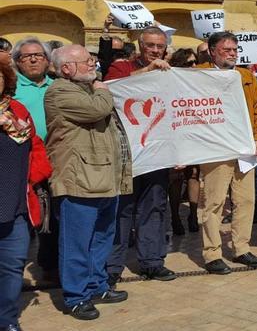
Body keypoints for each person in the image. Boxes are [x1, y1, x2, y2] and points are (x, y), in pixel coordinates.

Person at [44, 45, 131, 320]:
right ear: (66, 68)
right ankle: (76, 297)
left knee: (101, 239)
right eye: (86, 61)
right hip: (79, 180)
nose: (92, 65)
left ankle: (97, 286)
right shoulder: (60, 91)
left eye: (92, 60)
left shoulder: (87, 88)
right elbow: (98, 110)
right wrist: (103, 90)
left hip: (104, 177)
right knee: (77, 243)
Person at [104, 27, 177, 285]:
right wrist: (148, 72)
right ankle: (112, 266)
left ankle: (152, 262)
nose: (155, 51)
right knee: (121, 210)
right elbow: (111, 89)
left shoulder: (171, 74)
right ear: (140, 45)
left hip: (157, 153)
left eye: (159, 46)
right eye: (150, 46)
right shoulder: (121, 67)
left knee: (154, 207)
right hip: (126, 154)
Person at [196, 32, 257, 275]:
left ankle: (241, 248)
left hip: (245, 149)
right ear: (212, 51)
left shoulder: (246, 76)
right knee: (214, 202)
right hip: (216, 148)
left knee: (246, 200)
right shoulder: (199, 75)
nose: (232, 53)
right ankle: (213, 253)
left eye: (234, 49)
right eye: (226, 49)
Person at [0, 61, 52, 330]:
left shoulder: (17, 110)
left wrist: (35, 177)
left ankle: (7, 320)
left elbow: (35, 146)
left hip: (16, 206)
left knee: (11, 267)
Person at [11, 37, 57, 280]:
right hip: (20, 162)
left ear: (47, 60)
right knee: (21, 219)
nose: (33, 59)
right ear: (17, 62)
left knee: (51, 217)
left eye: (38, 55)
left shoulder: (57, 85)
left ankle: (48, 265)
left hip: (54, 161)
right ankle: (13, 270)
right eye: (26, 56)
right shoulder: (9, 87)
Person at [166, 49, 200, 235]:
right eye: (189, 63)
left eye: (195, 62)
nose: (194, 66)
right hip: (175, 133)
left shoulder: (200, 82)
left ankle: (193, 215)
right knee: (176, 178)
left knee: (194, 174)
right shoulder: (170, 82)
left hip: (194, 133)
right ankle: (175, 215)